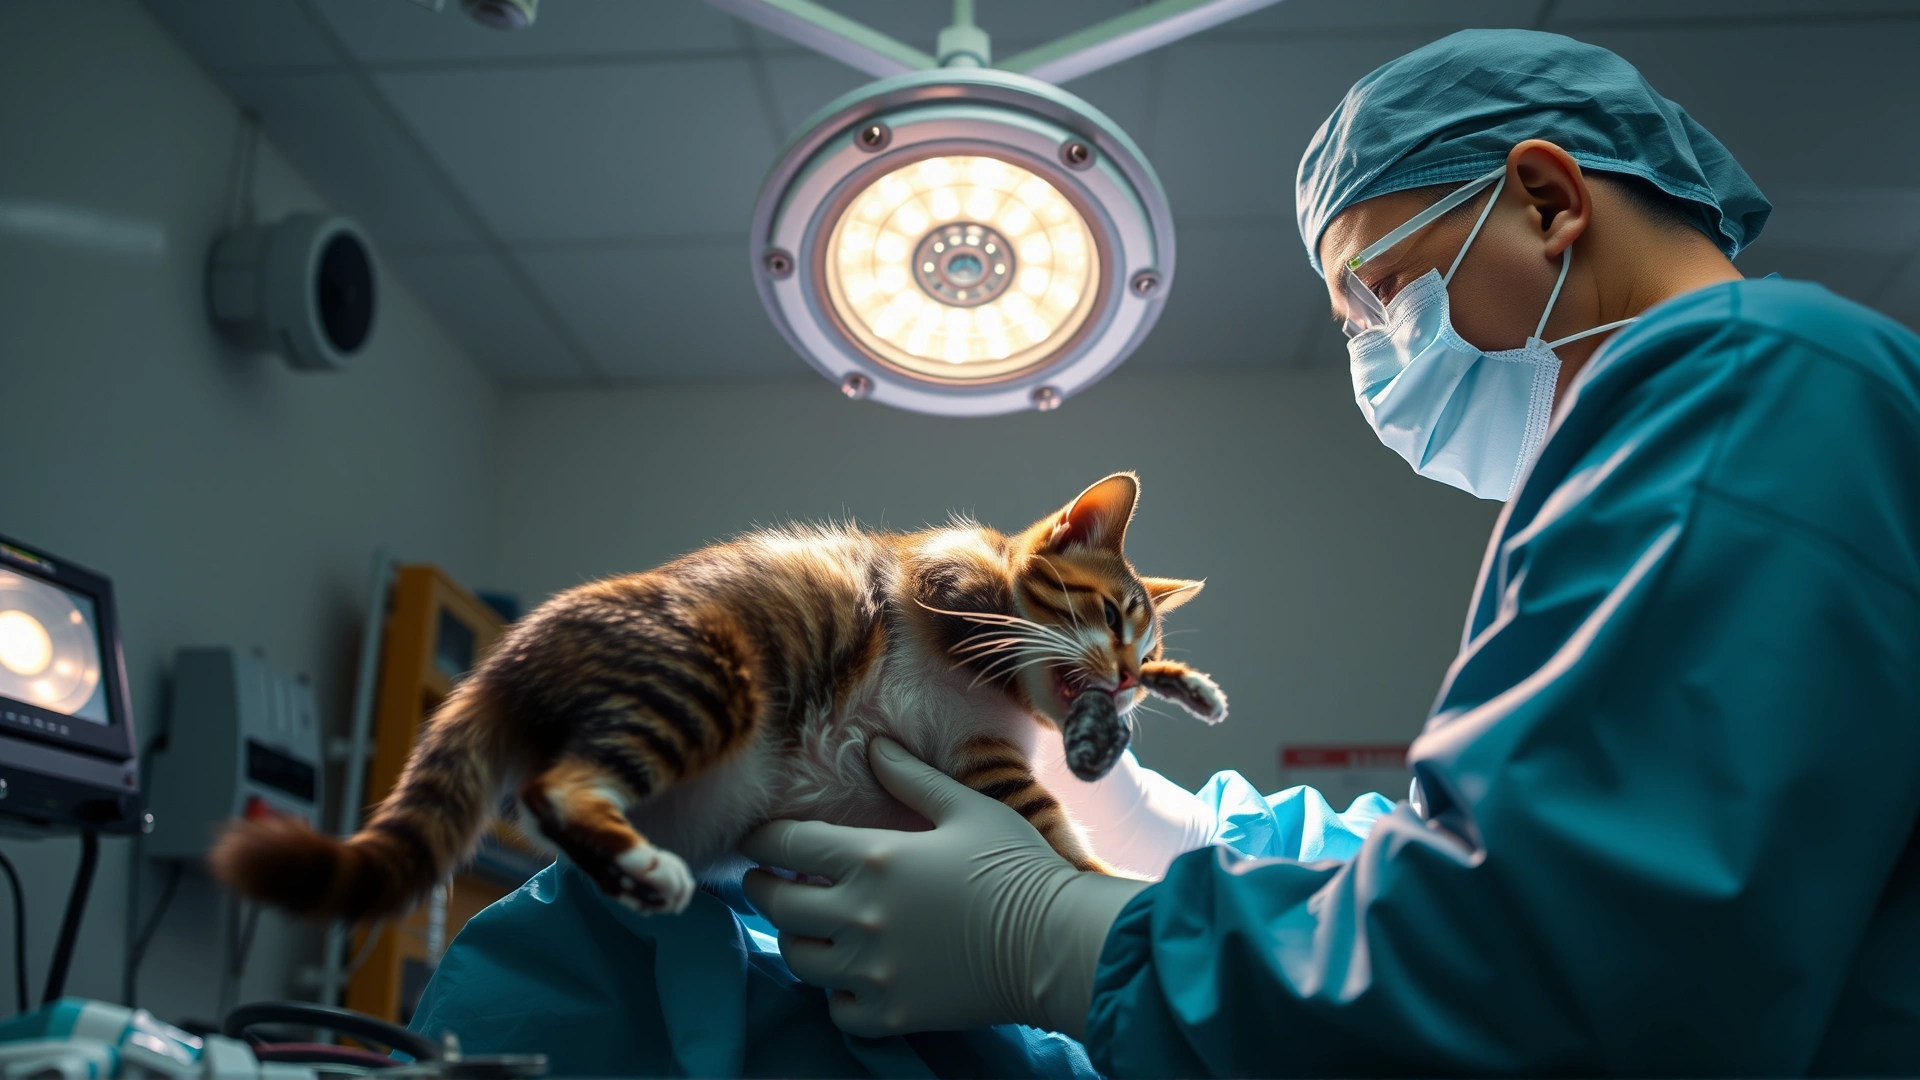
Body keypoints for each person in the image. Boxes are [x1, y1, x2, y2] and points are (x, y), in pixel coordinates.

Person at [740, 28, 1920, 1076]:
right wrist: (1147, 820)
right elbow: (1461, 868)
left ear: (1550, 201)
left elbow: (1555, 971)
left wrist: (1053, 938)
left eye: (1382, 295)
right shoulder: (1717, 431)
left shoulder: (1750, 380)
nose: (1374, 363)